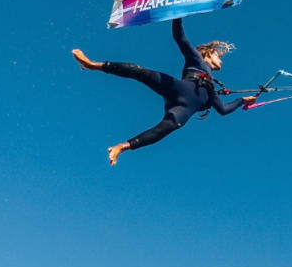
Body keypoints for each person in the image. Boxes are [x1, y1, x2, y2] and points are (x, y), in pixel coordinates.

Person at [72, 18, 255, 165]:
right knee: (141, 72)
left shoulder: (212, 90)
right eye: (218, 56)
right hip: (179, 89)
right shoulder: (196, 60)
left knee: (164, 129)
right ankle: (92, 65)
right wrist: (178, 15)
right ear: (209, 53)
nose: (221, 61)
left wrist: (241, 102)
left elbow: (223, 110)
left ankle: (121, 147)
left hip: (184, 109)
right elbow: (180, 38)